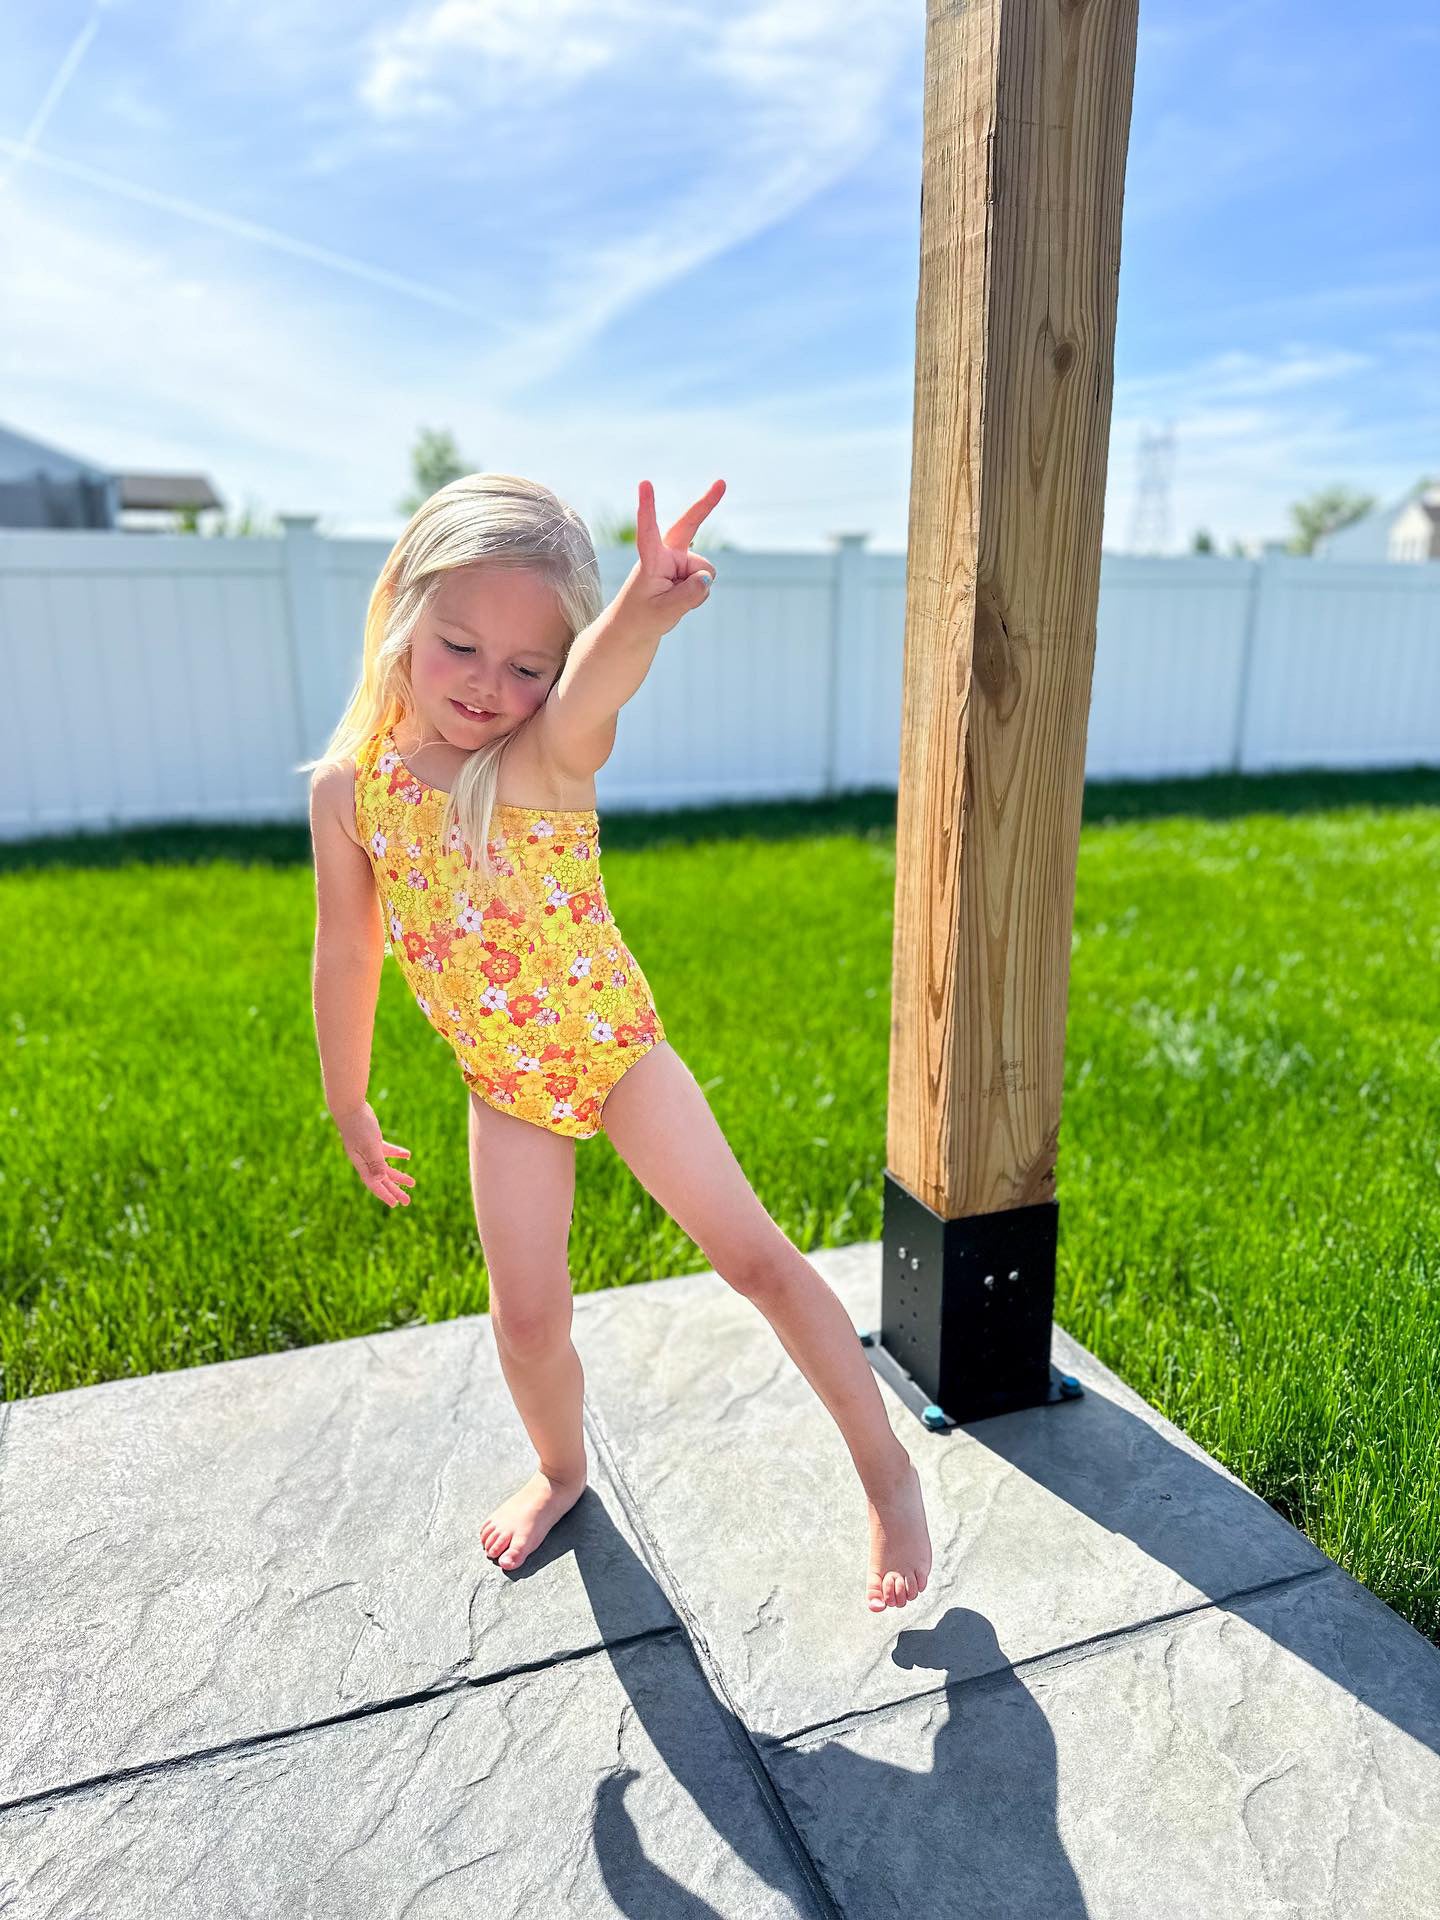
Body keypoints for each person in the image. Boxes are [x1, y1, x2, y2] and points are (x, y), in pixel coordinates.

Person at [304, 471, 931, 1613]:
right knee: (528, 1316)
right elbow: (348, 952)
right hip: (504, 1087)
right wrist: (347, 1098)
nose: (492, 688)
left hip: (617, 1055)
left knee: (756, 1261)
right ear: (401, 610)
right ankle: (559, 1469)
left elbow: (595, 689)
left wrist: (644, 606)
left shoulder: (543, 758)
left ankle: (886, 1471)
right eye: (458, 647)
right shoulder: (352, 792)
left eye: (527, 665)